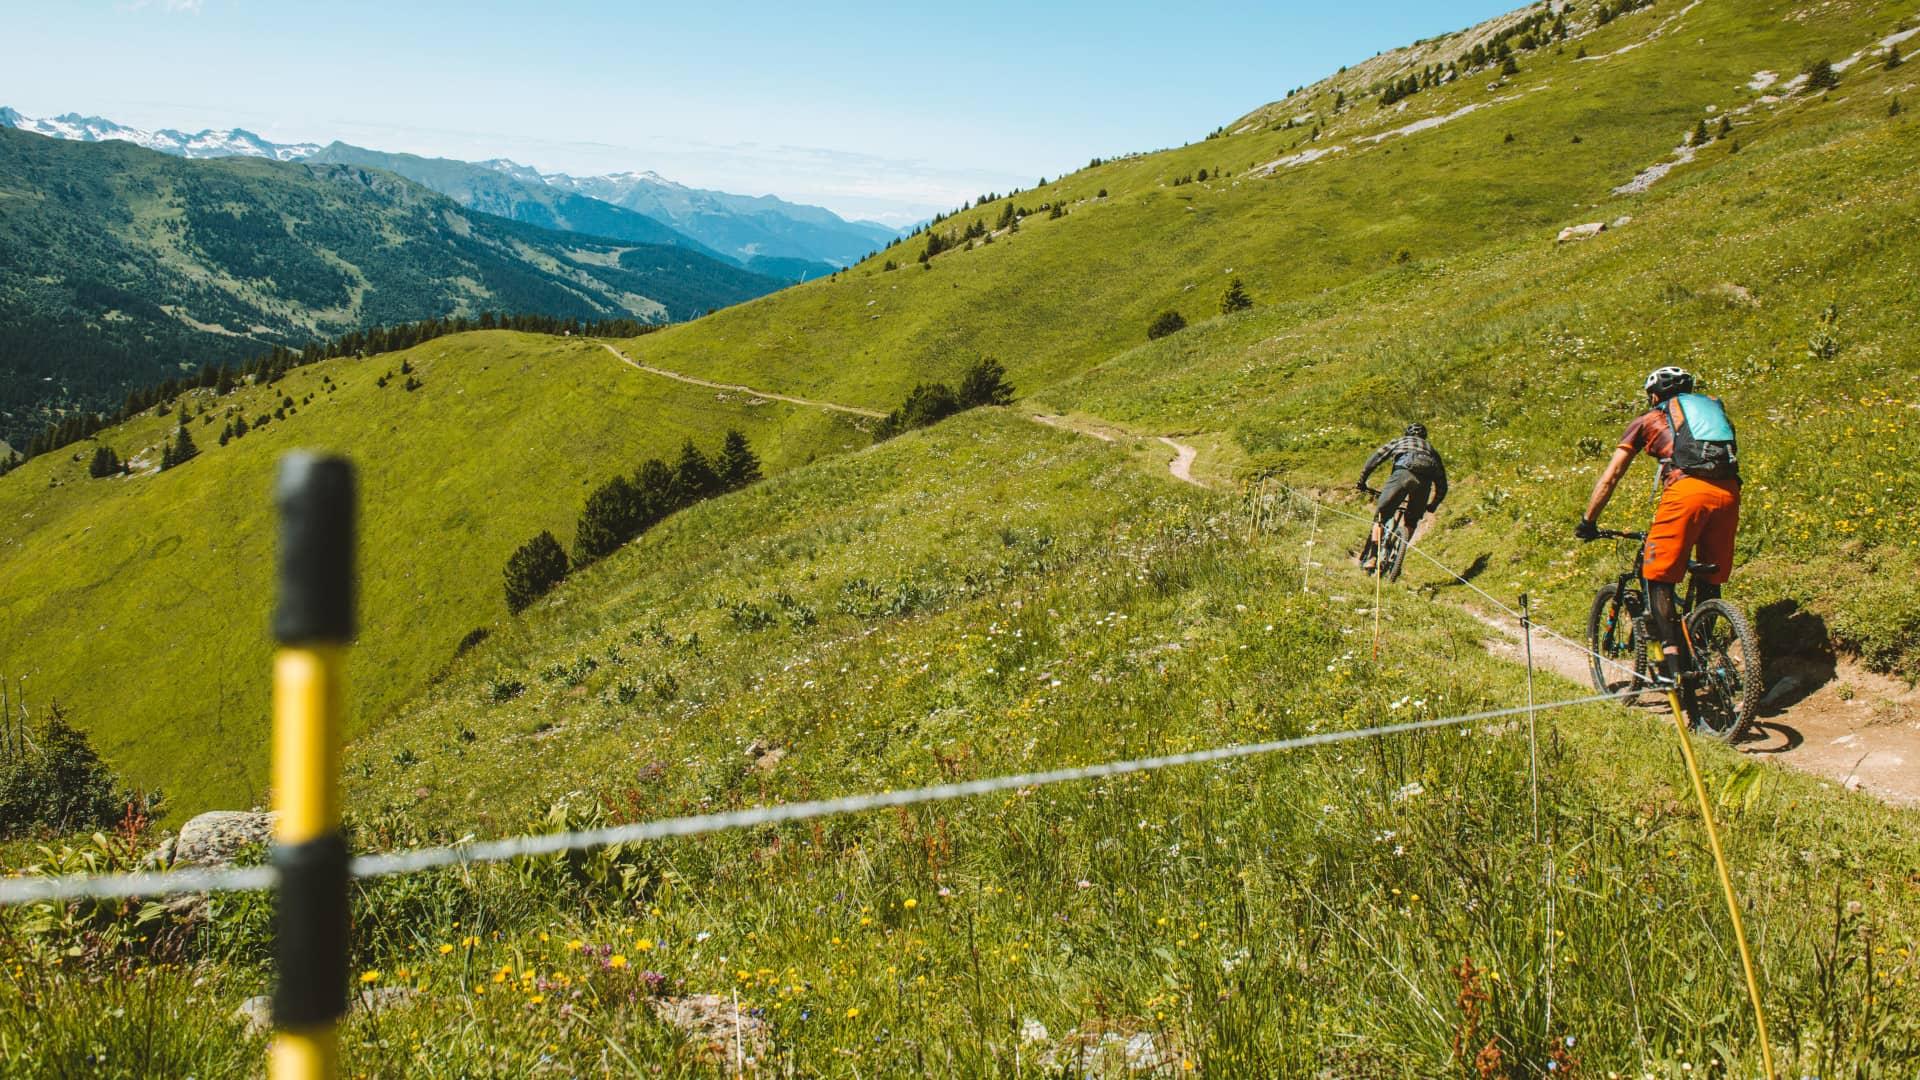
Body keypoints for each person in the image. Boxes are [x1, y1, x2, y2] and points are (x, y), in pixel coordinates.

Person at [1576, 366, 1740, 694]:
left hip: (1686, 492)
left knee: (1656, 575)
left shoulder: (1649, 419)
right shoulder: (1709, 412)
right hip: (1729, 492)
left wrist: (1588, 521)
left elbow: (1611, 476)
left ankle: (1671, 667)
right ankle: (1702, 649)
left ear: (1654, 396)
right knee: (1709, 575)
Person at [1356, 423, 1449, 571]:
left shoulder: (1400, 441)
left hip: (1402, 474)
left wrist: (1362, 480)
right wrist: (1433, 505)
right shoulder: (1432, 451)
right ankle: (1398, 556)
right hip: (1424, 484)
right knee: (1411, 521)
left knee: (1382, 515)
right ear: (1424, 437)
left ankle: (1372, 557)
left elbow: (1375, 459)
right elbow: (1442, 483)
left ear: (1407, 434)